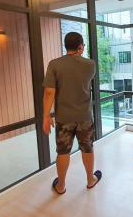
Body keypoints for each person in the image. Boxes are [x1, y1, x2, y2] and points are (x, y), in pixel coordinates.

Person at [42, 32, 102, 195]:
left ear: (65, 46)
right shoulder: (90, 64)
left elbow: (49, 92)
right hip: (84, 117)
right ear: (81, 47)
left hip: (64, 118)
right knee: (87, 148)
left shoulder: (54, 64)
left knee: (62, 152)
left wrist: (46, 116)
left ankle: (61, 186)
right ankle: (90, 180)